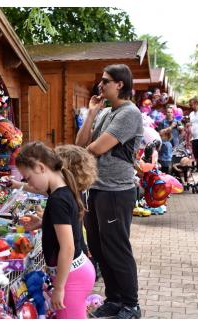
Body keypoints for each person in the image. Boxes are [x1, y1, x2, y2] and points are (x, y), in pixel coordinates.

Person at [75, 64, 142, 319]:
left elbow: (96, 148)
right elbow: (81, 143)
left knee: (116, 247)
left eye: (105, 81)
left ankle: (131, 304)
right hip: (96, 188)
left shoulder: (129, 113)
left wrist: (80, 153)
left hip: (117, 191)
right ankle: (114, 299)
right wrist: (92, 113)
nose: (100, 85)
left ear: (120, 84)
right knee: (99, 247)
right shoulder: (105, 112)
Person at [14, 141, 96, 319]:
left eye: (28, 178)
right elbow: (68, 225)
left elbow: (67, 247)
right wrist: (44, 222)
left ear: (40, 167)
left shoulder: (57, 199)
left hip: (71, 278)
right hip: (76, 273)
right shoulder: (61, 191)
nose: (31, 184)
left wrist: (59, 288)